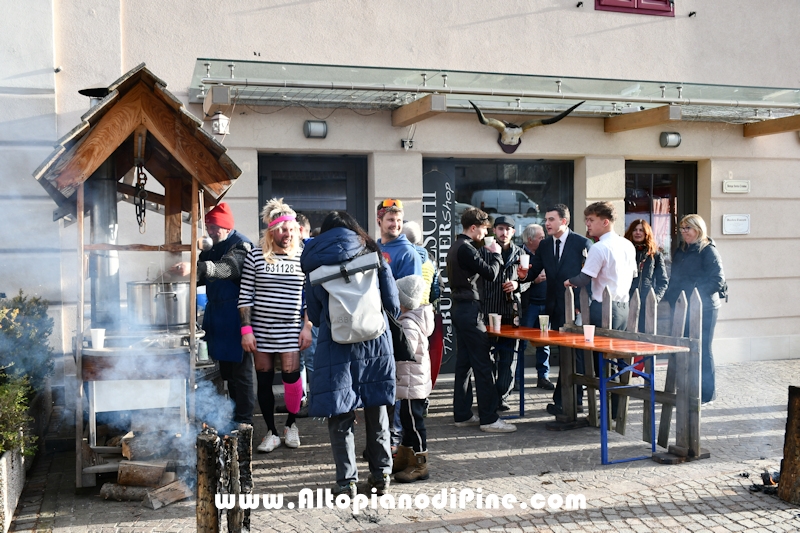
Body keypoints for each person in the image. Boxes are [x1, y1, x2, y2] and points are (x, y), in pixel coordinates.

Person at [301, 210, 399, 497]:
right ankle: (381, 475)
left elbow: (316, 316)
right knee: (377, 406)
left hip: (336, 345)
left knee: (340, 412)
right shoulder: (372, 252)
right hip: (375, 341)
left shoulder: (315, 263)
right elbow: (392, 302)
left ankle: (347, 482)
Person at [171, 203, 255, 431]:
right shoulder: (210, 247)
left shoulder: (241, 245)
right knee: (222, 371)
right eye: (208, 226)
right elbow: (200, 275)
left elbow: (228, 268)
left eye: (215, 227)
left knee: (241, 372)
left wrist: (196, 269)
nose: (210, 231)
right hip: (215, 314)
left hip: (238, 315)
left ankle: (245, 419)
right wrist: (177, 273)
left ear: (227, 227)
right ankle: (226, 415)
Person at [238, 198, 312, 453]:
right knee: (264, 380)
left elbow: (309, 297)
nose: (287, 234)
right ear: (271, 231)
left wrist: (307, 327)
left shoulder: (303, 257)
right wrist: (246, 331)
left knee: (292, 380)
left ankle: (291, 425)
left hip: (292, 329)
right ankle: (270, 431)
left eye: (291, 230)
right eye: (282, 229)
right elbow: (245, 296)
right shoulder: (255, 257)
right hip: (261, 330)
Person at [447, 207, 516, 433]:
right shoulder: (466, 248)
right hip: (469, 309)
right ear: (474, 228)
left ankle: (463, 413)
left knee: (464, 364)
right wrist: (495, 253)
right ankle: (489, 419)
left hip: (461, 308)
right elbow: (491, 273)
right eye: (485, 229)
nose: (486, 234)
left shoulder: (457, 246)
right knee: (483, 365)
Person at [565, 202, 637, 418]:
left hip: (603, 308)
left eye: (591, 220)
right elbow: (633, 276)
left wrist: (567, 281)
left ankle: (607, 411)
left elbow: (584, 279)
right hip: (623, 306)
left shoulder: (599, 247)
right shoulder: (627, 245)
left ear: (605, 222)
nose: (587, 224)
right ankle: (615, 410)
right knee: (619, 359)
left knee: (602, 361)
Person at [524, 204, 592, 415]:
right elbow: (532, 270)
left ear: (564, 221)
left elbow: (589, 278)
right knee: (564, 354)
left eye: (551, 219)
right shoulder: (544, 245)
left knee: (575, 355)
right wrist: (522, 274)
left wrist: (581, 307)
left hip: (576, 309)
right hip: (554, 308)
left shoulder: (582, 243)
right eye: (546, 219)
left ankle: (574, 400)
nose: (547, 223)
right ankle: (564, 399)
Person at [662, 214, 726, 404]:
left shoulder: (708, 251)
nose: (683, 232)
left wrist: (695, 295)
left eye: (687, 228)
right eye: (681, 229)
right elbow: (676, 278)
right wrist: (670, 297)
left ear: (698, 229)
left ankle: (707, 393)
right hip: (683, 307)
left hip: (705, 308)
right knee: (685, 348)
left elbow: (718, 280)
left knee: (703, 348)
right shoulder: (681, 251)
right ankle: (688, 388)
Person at [376, 199, 421, 450]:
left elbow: (409, 299)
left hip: (395, 328)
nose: (395, 224)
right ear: (379, 221)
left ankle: (393, 436)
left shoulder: (407, 252)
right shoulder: (373, 249)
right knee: (382, 382)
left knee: (396, 384)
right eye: (390, 219)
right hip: (374, 328)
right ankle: (381, 436)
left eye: (399, 220)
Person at [392, 275, 435, 483]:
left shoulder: (408, 324)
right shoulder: (414, 319)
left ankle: (420, 463)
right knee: (409, 421)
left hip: (411, 382)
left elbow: (405, 353)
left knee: (414, 423)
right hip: (413, 381)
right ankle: (405, 457)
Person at [478, 215, 524, 411]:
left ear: (513, 232)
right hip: (488, 310)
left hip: (510, 312)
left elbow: (529, 278)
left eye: (508, 229)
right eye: (500, 229)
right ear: (494, 231)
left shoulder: (521, 253)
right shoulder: (483, 252)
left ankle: (502, 395)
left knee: (509, 357)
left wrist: (518, 284)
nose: (504, 233)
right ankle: (489, 397)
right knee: (486, 357)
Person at [400, 221, 443, 388]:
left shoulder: (403, 255)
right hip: (425, 313)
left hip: (406, 312)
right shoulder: (430, 259)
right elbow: (437, 289)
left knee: (405, 360)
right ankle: (423, 397)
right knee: (423, 355)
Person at [518, 223, 553, 390]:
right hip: (528, 305)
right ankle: (517, 379)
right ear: (530, 240)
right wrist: (534, 280)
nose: (544, 240)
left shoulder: (546, 253)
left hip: (545, 304)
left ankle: (543, 377)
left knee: (544, 343)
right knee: (521, 344)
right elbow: (515, 279)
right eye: (541, 237)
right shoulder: (519, 254)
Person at [624, 219, 668, 332]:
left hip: (647, 301)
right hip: (626, 300)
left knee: (645, 336)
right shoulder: (624, 251)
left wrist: (655, 299)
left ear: (646, 233)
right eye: (635, 230)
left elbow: (663, 281)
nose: (638, 233)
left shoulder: (655, 255)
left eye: (641, 230)